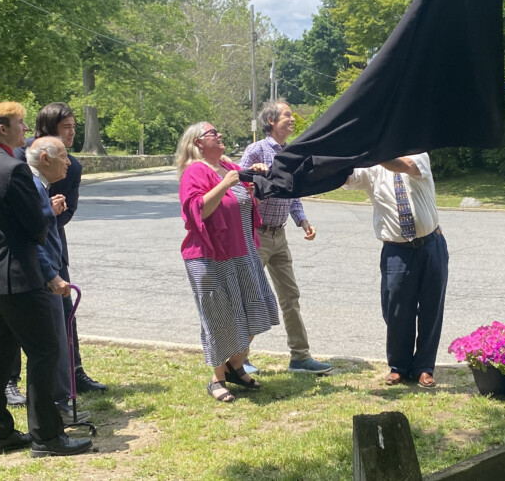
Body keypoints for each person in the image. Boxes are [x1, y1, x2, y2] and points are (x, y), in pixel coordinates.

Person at [0, 101, 92, 457]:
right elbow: (36, 228)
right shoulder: (15, 170)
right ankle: (47, 437)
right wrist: (48, 209)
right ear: (3, 129)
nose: (25, 130)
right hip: (21, 276)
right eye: (20, 124)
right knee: (45, 351)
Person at [6, 103, 106, 408]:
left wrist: (51, 215)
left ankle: (73, 372)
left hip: (53, 245)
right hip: (19, 249)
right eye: (67, 127)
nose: (73, 132)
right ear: (48, 131)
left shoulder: (72, 166)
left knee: (64, 312)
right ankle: (11, 381)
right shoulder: (17, 157)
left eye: (75, 126)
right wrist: (42, 210)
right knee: (13, 315)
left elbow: (67, 213)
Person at [175, 121, 279, 403]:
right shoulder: (195, 171)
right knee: (220, 317)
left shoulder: (229, 167)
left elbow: (242, 201)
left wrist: (251, 177)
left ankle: (235, 365)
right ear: (198, 143)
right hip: (210, 257)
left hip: (243, 251)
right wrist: (225, 184)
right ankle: (217, 378)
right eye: (213, 134)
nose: (220, 136)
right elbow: (198, 210)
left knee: (255, 310)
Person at [240, 100, 333, 374]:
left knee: (290, 296)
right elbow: (234, 181)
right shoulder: (256, 150)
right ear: (271, 120)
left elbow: (292, 193)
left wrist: (303, 222)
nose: (293, 119)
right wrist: (252, 178)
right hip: (256, 235)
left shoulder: (290, 153)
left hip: (279, 236)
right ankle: (239, 359)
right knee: (253, 297)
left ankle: (300, 357)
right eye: (288, 115)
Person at [344, 153, 449, 388]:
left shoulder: (419, 155)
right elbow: (346, 177)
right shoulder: (371, 168)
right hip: (396, 250)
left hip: (431, 245)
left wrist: (370, 151)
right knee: (396, 309)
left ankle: (424, 367)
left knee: (432, 308)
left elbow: (404, 166)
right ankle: (398, 366)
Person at [25, 136, 91, 426]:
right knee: (50, 347)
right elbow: (32, 239)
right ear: (44, 159)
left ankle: (57, 408)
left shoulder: (42, 188)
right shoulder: (33, 186)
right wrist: (51, 275)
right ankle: (53, 413)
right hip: (44, 279)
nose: (69, 162)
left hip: (49, 275)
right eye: (63, 156)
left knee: (55, 343)